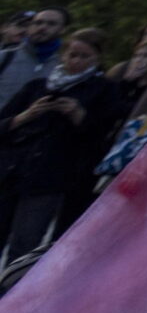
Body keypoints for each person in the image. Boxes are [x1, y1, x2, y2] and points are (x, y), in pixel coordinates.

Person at [0, 28, 122, 259]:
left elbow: (102, 136)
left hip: (51, 178)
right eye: (72, 54)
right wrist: (26, 116)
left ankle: (11, 292)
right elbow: (4, 124)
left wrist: (78, 114)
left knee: (25, 243)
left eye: (84, 56)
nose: (75, 61)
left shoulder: (103, 90)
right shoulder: (38, 86)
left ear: (97, 58)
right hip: (11, 170)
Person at [0, 8, 69, 112]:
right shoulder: (5, 57)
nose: (42, 27)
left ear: (63, 29)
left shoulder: (66, 64)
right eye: (38, 23)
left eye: (51, 24)